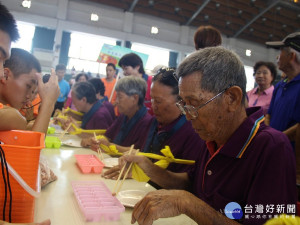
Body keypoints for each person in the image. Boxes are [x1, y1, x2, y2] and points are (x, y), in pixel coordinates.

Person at [120, 47, 296, 225]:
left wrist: (188, 203)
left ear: (232, 98)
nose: (188, 116)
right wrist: (149, 168)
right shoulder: (213, 137)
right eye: (184, 105)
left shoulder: (271, 147)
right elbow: (192, 184)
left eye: (194, 104)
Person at [0, 3, 53, 225]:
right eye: (30, 87)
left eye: (3, 60)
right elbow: (30, 152)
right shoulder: (10, 115)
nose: (31, 96)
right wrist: (48, 103)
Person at [103, 68, 204, 180]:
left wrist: (149, 170)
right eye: (152, 99)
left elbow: (189, 182)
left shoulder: (193, 132)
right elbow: (141, 152)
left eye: (159, 101)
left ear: (181, 101)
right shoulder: (154, 123)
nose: (153, 106)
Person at [82, 76, 153, 152]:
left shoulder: (147, 122)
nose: (116, 101)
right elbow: (108, 136)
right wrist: (96, 140)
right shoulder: (124, 115)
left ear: (135, 98)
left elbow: (138, 152)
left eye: (120, 97)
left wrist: (109, 145)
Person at [0, 48, 59, 134]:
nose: (29, 97)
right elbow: (34, 144)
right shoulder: (12, 116)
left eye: (33, 91)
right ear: (5, 75)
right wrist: (48, 103)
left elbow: (26, 127)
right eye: (28, 86)